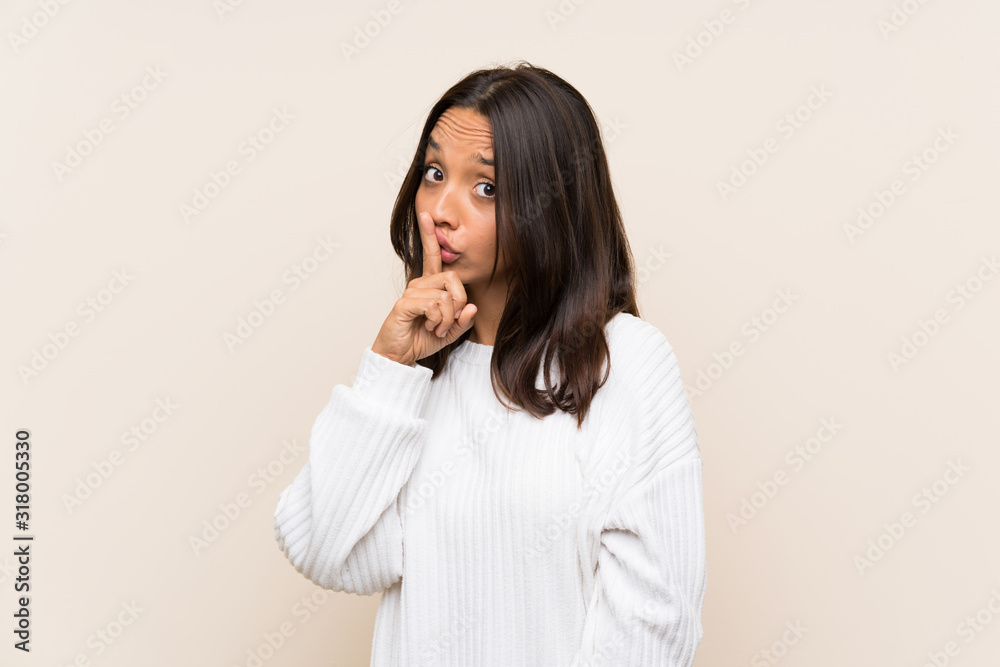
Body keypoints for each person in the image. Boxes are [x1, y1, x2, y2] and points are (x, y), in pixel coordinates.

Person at [273, 60, 706, 666]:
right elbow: (325, 549)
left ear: (554, 205)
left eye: (486, 188)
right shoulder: (418, 377)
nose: (441, 210)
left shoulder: (623, 361)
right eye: (433, 173)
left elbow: (653, 623)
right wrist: (390, 368)